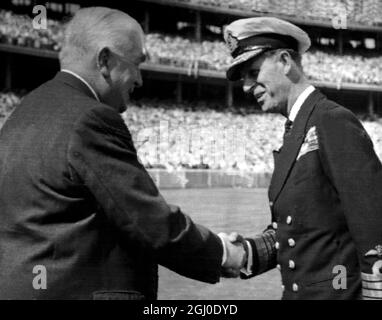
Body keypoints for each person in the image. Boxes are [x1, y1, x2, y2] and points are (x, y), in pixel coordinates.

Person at [0, 7, 245, 300]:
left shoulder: (22, 113)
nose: (140, 79)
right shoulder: (90, 119)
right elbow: (148, 221)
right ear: (104, 60)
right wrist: (224, 254)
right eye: (137, 64)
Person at [223, 17, 382, 300]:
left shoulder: (331, 121)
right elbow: (298, 230)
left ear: (284, 61)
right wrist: (245, 253)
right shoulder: (297, 129)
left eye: (253, 72)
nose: (247, 86)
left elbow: (374, 226)